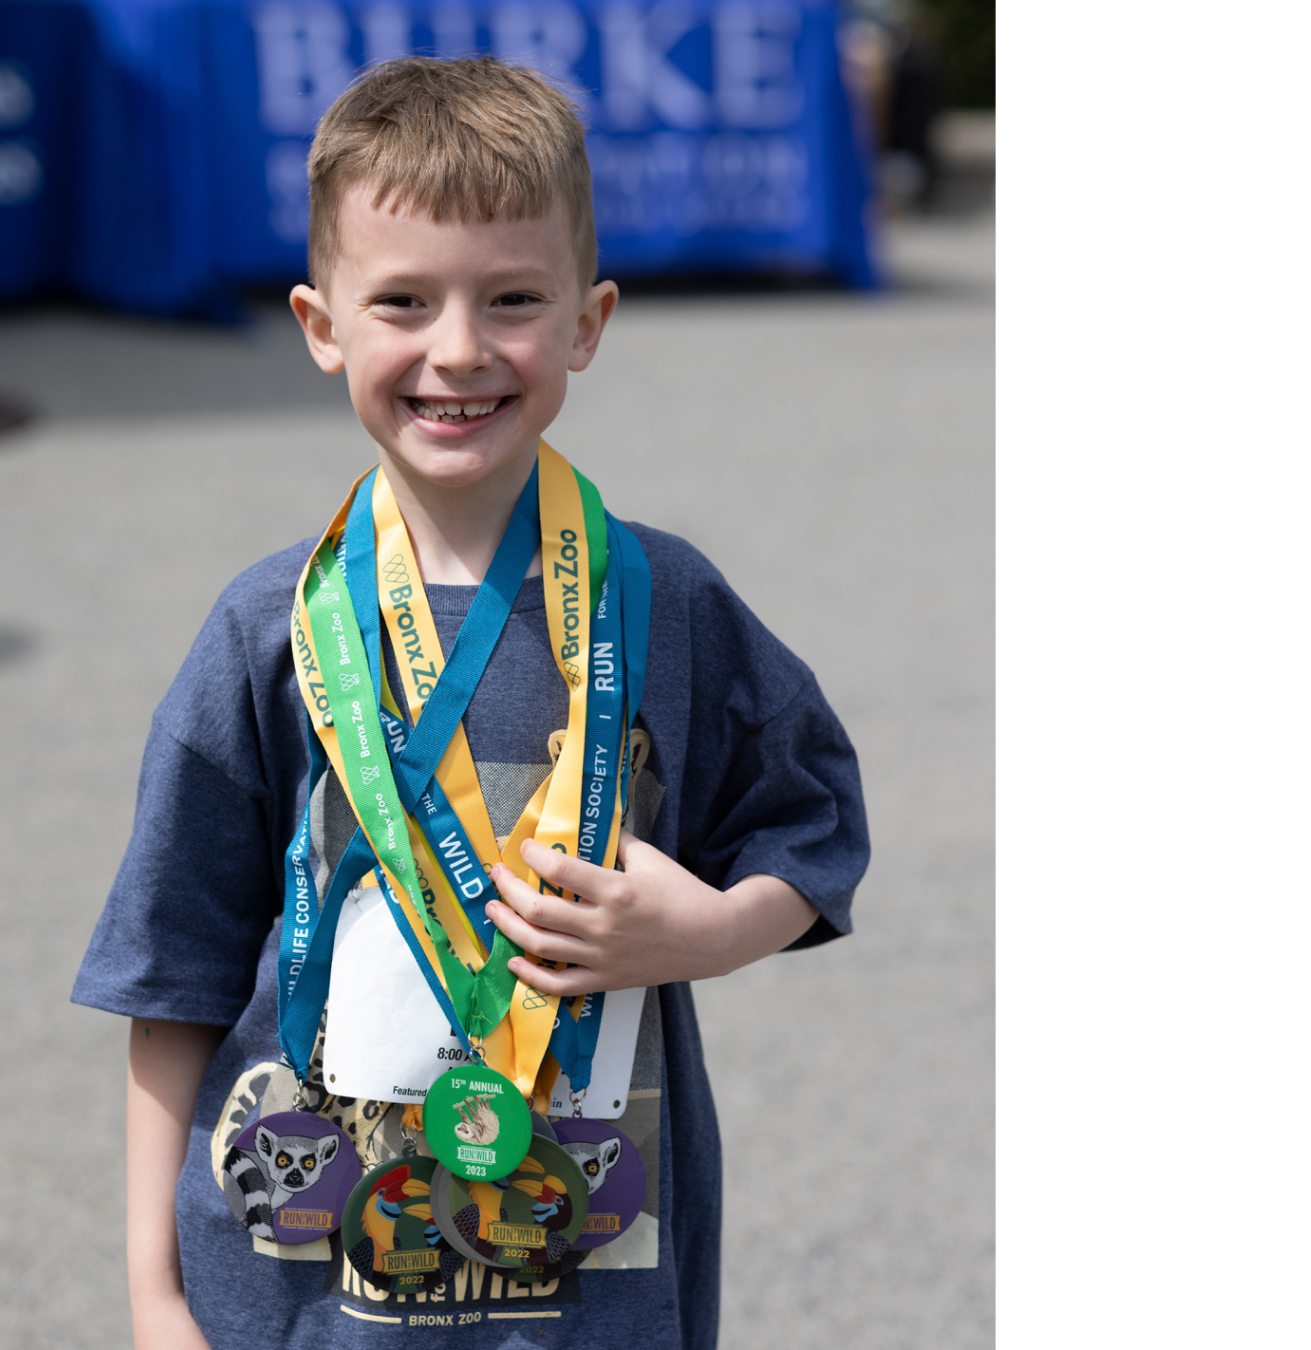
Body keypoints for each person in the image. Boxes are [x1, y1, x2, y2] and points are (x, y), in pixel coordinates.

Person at [71, 55, 870, 1349]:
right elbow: (172, 971)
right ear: (320, 324)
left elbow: (815, 820)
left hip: (589, 1282)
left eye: (512, 298)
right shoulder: (265, 634)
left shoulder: (663, 604)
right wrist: (156, 1294)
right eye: (402, 301)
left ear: (588, 322)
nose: (459, 349)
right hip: (307, 1287)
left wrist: (712, 928)